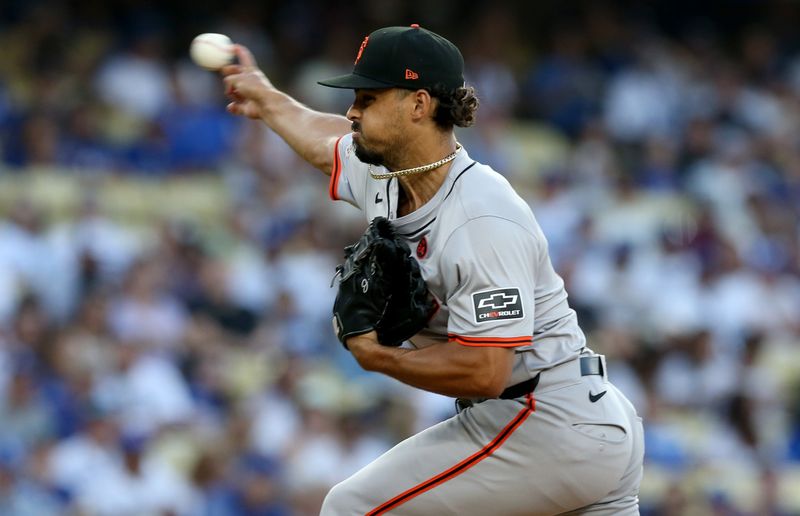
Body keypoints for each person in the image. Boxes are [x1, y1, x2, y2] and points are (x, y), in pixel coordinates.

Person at [222, 24, 644, 515]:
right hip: (578, 424)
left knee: (352, 508)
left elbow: (487, 370)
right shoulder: (387, 171)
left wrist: (380, 358)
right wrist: (268, 99)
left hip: (544, 417)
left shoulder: (480, 217)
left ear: (418, 105)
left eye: (369, 97)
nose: (352, 111)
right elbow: (326, 143)